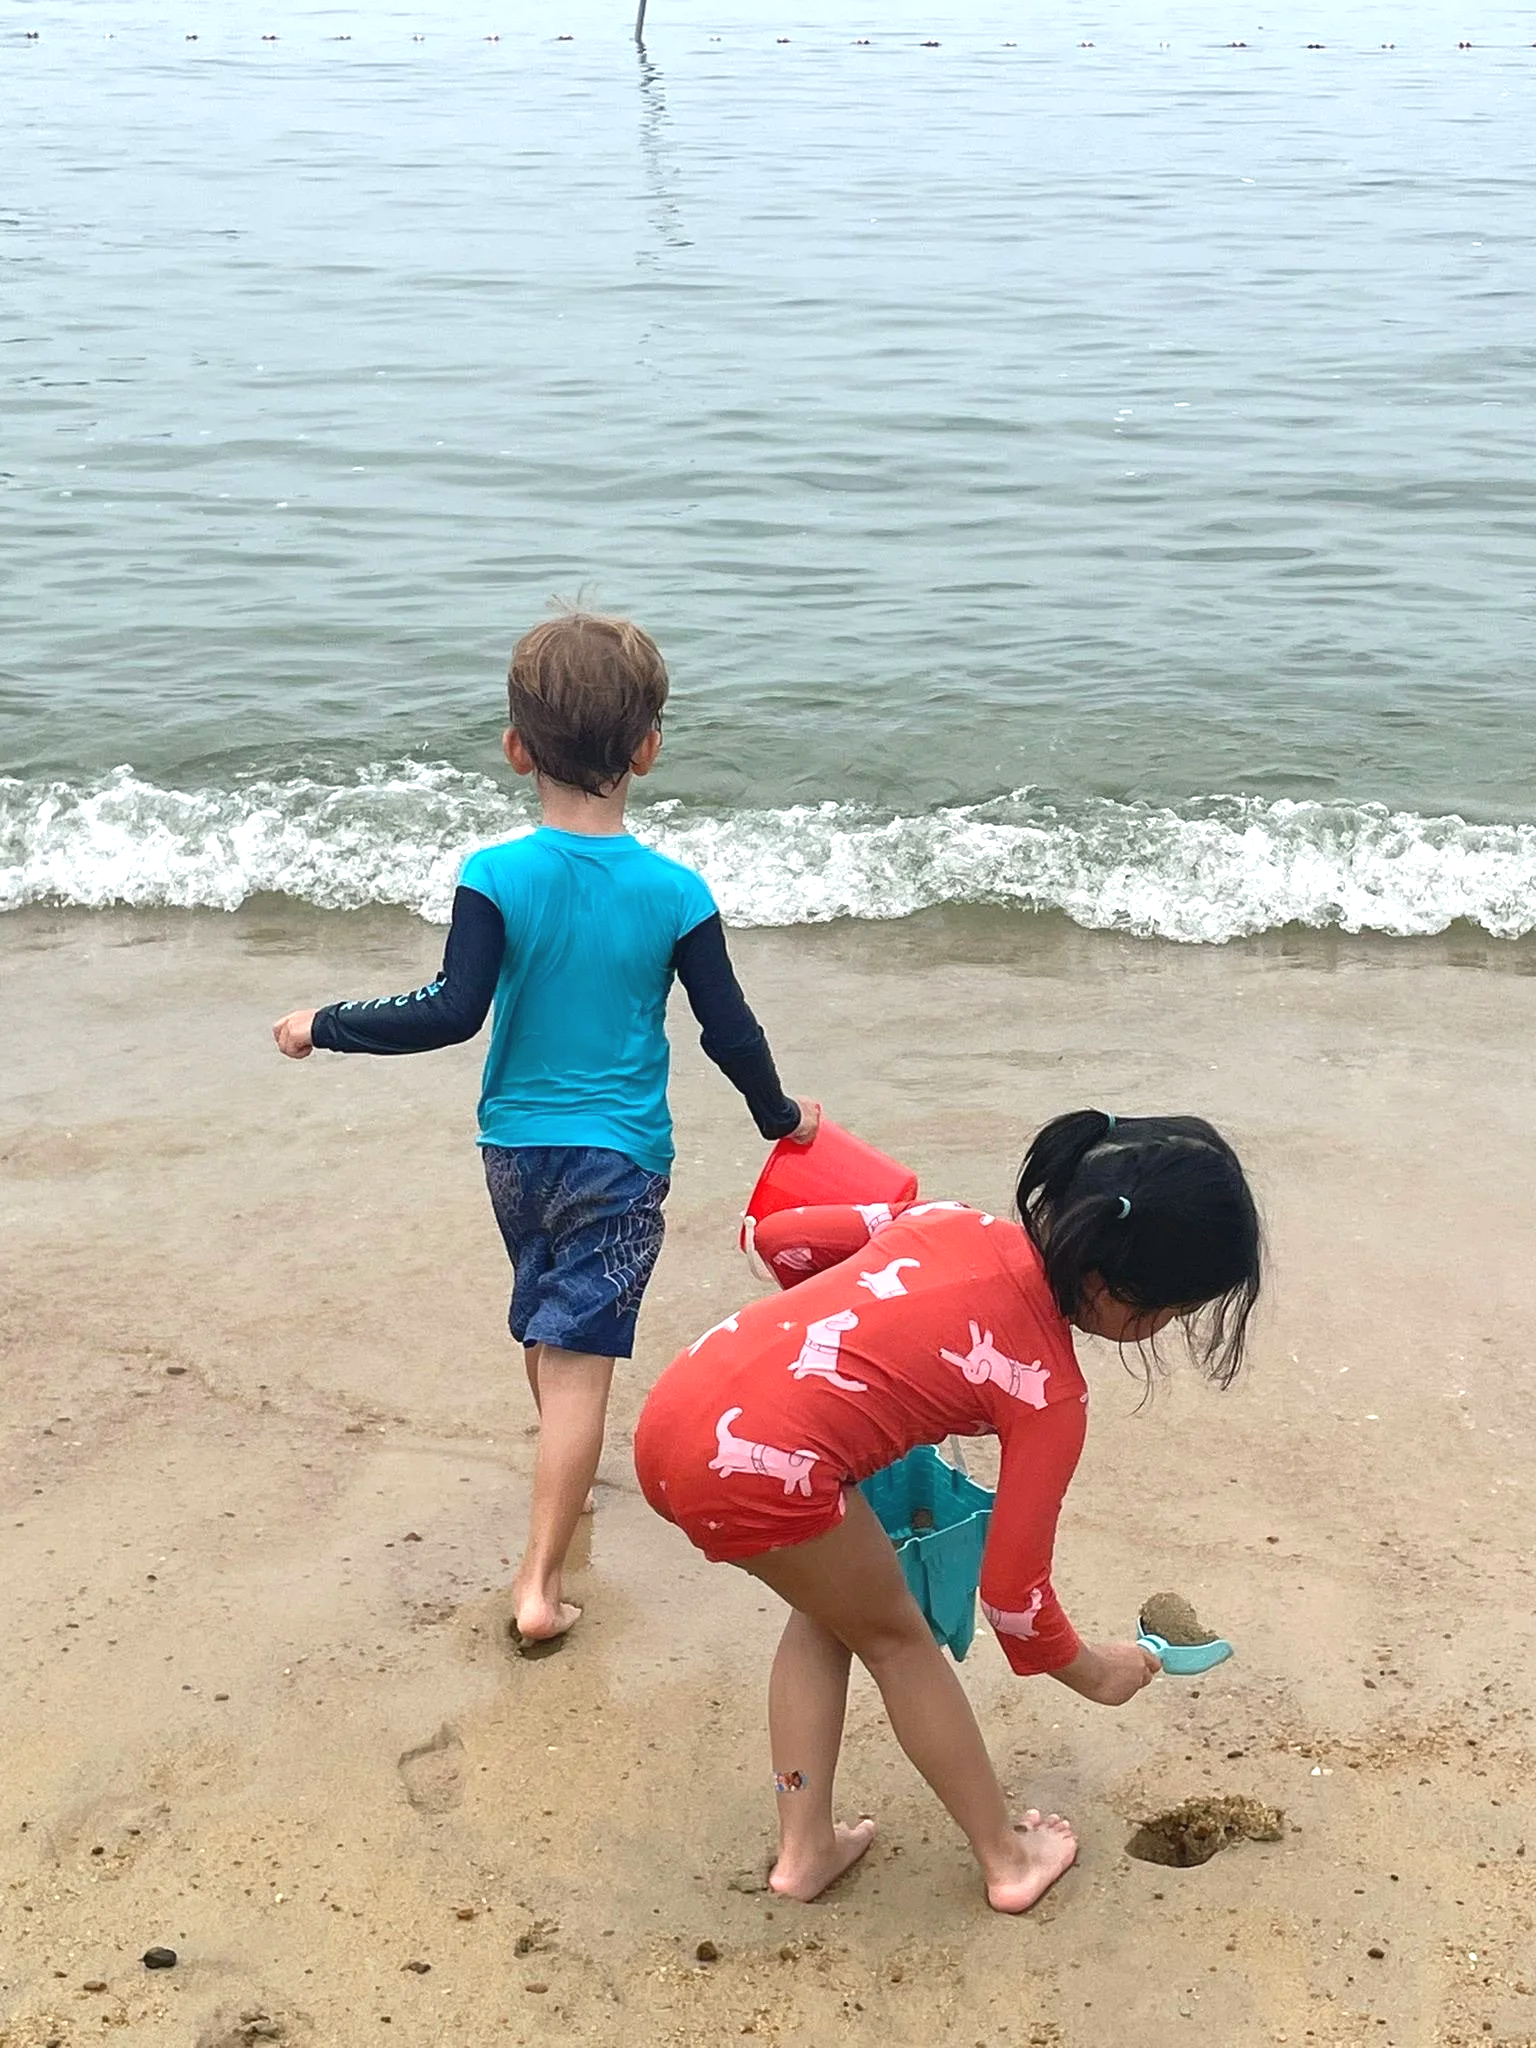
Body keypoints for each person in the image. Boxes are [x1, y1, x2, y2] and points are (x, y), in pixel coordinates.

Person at [272, 610, 816, 1648]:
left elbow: (450, 1007)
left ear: (517, 747)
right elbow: (729, 1031)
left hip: (514, 1150)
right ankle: (538, 1579)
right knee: (578, 1358)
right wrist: (780, 1119)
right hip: (618, 1156)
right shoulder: (677, 892)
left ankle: (560, 1480)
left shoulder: (495, 873)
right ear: (648, 748)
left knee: (548, 1321)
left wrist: (323, 1023)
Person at [634, 1109, 1261, 1912]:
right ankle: (1007, 1860)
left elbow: (781, 1237)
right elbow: (1015, 1605)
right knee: (897, 1637)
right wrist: (1100, 1674)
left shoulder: (944, 1218)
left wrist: (854, 1354)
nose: (1165, 1329)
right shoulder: (1050, 1393)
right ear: (1119, 1294)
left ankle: (804, 1850)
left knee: (828, 1612)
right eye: (1172, 1313)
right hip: (765, 1469)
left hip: (673, 1415)